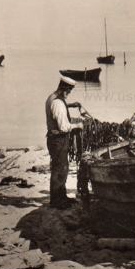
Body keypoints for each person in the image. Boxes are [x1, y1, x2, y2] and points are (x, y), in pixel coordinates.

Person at [45, 75, 83, 209]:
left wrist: (72, 105)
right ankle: (56, 201)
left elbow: (61, 109)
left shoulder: (52, 97)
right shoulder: (58, 103)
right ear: (64, 89)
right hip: (58, 140)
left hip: (54, 139)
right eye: (69, 91)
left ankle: (61, 196)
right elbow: (64, 127)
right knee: (60, 169)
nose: (69, 94)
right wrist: (78, 126)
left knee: (61, 168)